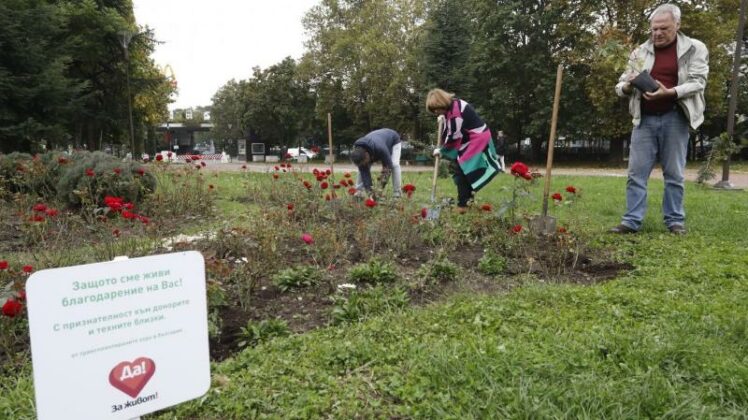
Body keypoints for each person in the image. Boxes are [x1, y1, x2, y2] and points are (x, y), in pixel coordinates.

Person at [610, 3, 708, 235]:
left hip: (675, 116)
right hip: (643, 119)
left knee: (674, 173)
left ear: (677, 25)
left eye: (664, 28)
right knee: (636, 173)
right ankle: (631, 221)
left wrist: (670, 92)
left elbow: (698, 82)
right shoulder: (639, 52)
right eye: (654, 29)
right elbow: (620, 84)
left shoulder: (695, 48)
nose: (657, 33)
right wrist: (627, 85)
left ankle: (674, 221)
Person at [426, 88, 501, 212]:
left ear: (442, 103)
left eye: (437, 109)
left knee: (462, 171)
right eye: (434, 110)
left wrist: (442, 150)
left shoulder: (455, 113)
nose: (436, 112)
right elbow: (451, 129)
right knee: (463, 171)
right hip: (471, 138)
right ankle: (467, 202)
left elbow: (454, 136)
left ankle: (463, 205)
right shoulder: (453, 106)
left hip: (476, 139)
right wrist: (444, 119)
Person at [350, 128, 402, 197]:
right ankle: (359, 192)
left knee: (394, 165)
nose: (364, 165)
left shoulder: (381, 149)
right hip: (377, 138)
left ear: (367, 155)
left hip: (393, 139)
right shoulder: (359, 152)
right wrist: (370, 193)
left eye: (364, 162)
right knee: (362, 169)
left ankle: (397, 193)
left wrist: (379, 189)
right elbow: (365, 173)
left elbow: (387, 168)